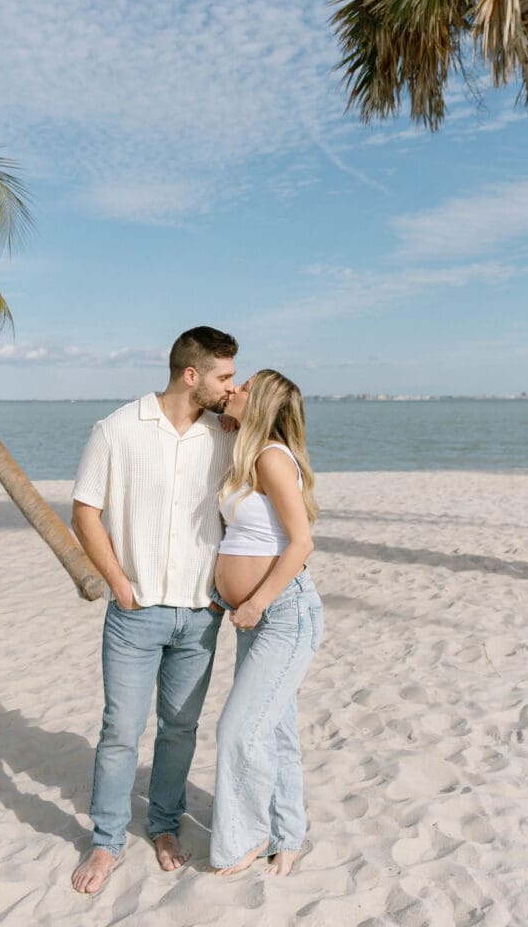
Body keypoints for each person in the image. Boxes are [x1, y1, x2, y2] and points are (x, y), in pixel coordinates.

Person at [70, 326, 238, 895]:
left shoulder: (224, 437)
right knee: (120, 730)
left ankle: (164, 825)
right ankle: (106, 840)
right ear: (191, 375)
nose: (230, 386)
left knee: (181, 728)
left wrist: (226, 587)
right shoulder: (117, 428)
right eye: (224, 376)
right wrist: (117, 581)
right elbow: (85, 511)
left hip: (201, 614)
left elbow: (244, 510)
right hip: (134, 612)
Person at [208, 369, 323, 876]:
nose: (233, 389)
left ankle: (246, 838)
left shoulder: (272, 458)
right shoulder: (246, 453)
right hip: (253, 616)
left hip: (281, 615)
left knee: (239, 730)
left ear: (262, 404)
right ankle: (288, 834)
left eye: (245, 387)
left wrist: (255, 604)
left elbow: (301, 543)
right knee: (274, 730)